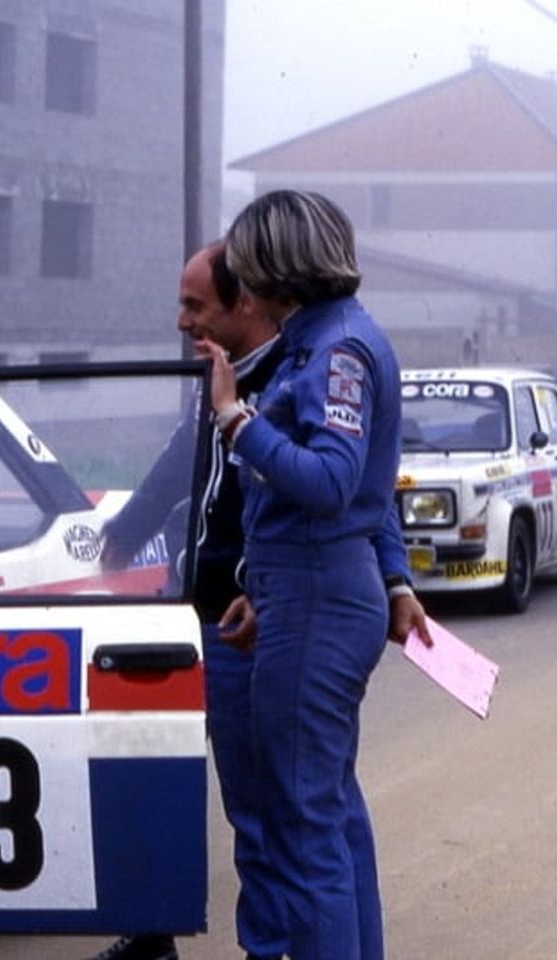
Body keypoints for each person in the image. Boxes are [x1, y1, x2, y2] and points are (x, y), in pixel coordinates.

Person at [91, 240, 427, 960]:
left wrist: (394, 576)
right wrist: (121, 537)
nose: (181, 321)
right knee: (284, 808)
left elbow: (361, 488)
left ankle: (273, 948)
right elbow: (180, 461)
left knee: (289, 813)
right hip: (219, 610)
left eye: (194, 305)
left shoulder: (300, 372)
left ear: (244, 302)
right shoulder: (220, 378)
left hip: (265, 614)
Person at [192, 189, 407, 960]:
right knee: (324, 810)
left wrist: (235, 420)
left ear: (275, 266)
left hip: (317, 595)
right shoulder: (323, 340)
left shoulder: (333, 351)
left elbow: (330, 482)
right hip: (301, 590)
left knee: (303, 821)